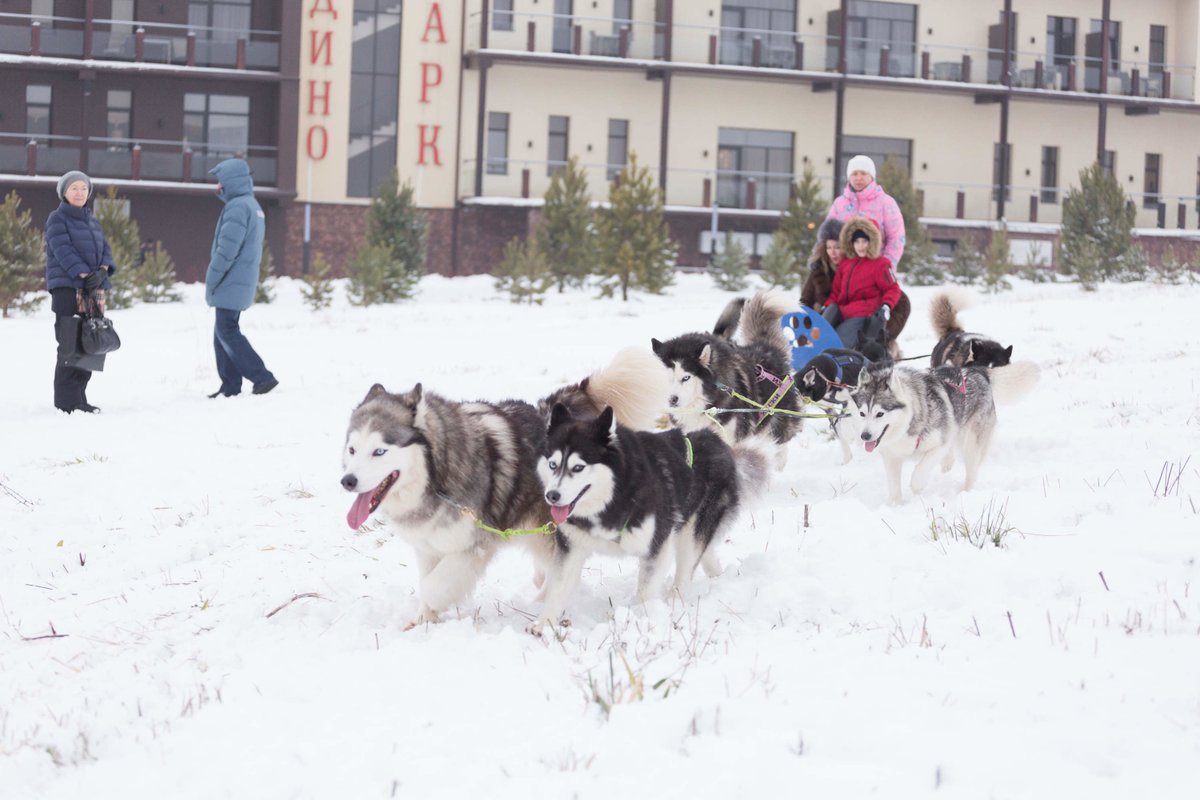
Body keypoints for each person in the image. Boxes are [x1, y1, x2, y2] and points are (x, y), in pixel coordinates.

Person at [205, 158, 278, 398]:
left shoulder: (237, 207)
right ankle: (230, 385)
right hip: (240, 281)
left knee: (227, 331)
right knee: (222, 333)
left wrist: (212, 279)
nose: (218, 187)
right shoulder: (252, 205)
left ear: (230, 182)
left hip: (230, 280)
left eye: (220, 182)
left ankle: (261, 377)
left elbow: (227, 251)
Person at [44, 170, 115, 414]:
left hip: (93, 289)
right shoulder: (57, 219)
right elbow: (62, 250)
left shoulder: (92, 221)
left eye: (83, 188)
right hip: (68, 287)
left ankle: (80, 398)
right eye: (74, 188)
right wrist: (85, 274)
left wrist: (103, 270)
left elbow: (106, 249)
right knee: (69, 342)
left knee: (89, 342)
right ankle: (66, 400)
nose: (79, 192)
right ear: (64, 192)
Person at [822, 217, 901, 360]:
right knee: (822, 334)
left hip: (863, 314)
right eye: (856, 241)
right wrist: (826, 307)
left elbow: (892, 289)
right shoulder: (846, 263)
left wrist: (886, 305)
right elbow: (836, 292)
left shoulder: (880, 264)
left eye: (864, 241)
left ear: (873, 242)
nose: (860, 246)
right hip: (842, 311)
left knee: (838, 344)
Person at [827, 155, 906, 272]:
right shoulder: (839, 204)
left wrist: (886, 266)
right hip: (845, 271)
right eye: (854, 174)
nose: (859, 178)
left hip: (876, 271)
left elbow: (896, 238)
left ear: (871, 177)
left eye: (863, 173)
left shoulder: (886, 203)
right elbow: (828, 236)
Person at [800, 217, 844, 312]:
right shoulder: (818, 269)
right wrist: (808, 326)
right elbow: (805, 301)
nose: (832, 252)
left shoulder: (853, 270)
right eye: (829, 247)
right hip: (819, 323)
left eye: (837, 247)